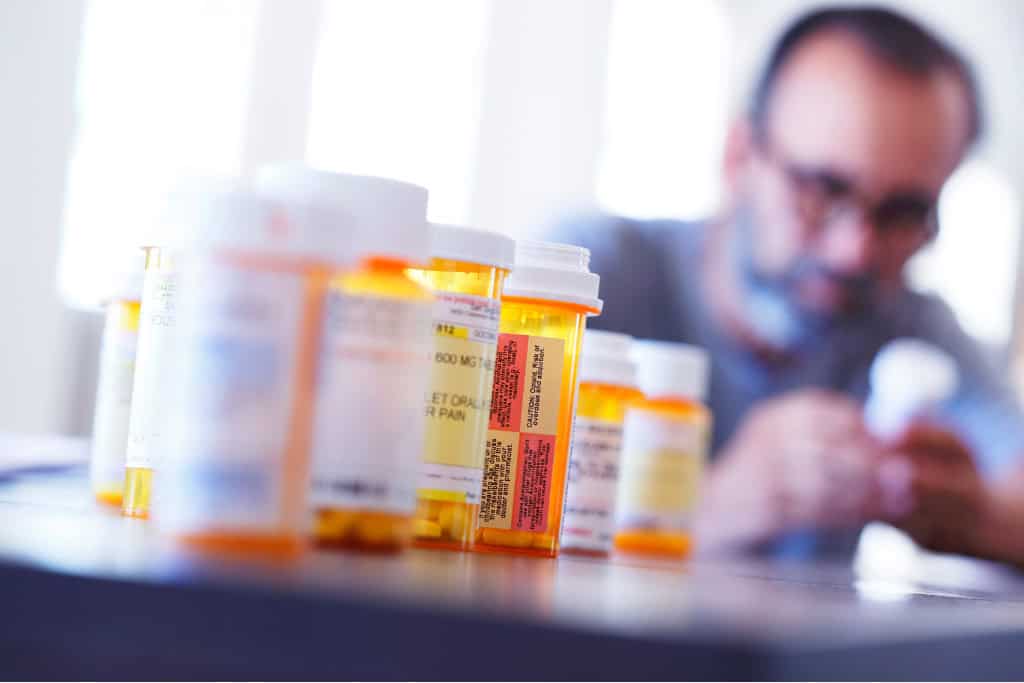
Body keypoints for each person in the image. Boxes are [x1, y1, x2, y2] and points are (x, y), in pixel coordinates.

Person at [552, 6, 1024, 562]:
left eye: (901, 212)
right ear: (739, 158)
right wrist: (710, 509)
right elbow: (474, 517)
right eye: (822, 190)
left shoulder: (910, 326)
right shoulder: (586, 276)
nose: (854, 251)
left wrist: (980, 520)